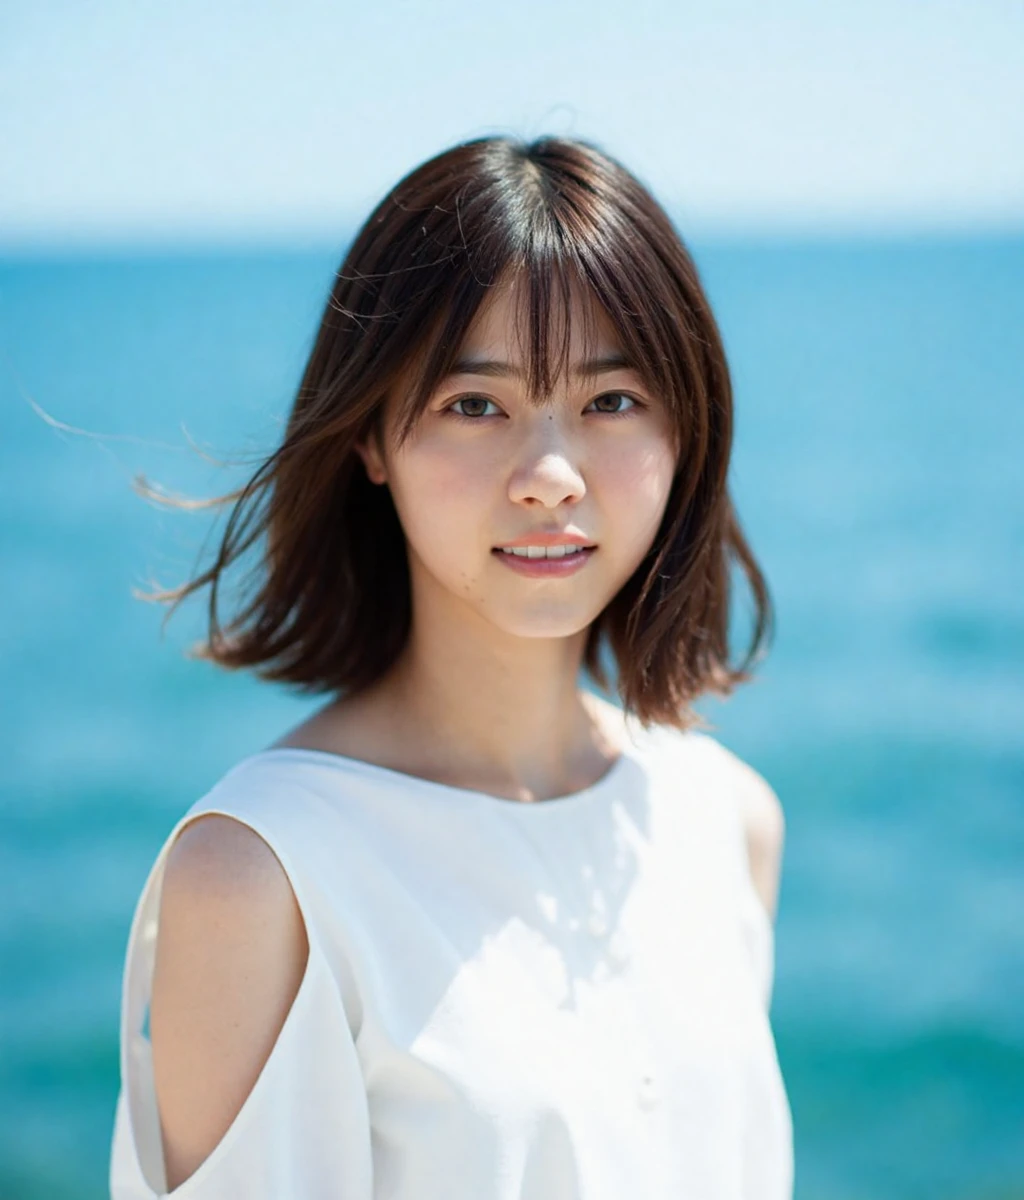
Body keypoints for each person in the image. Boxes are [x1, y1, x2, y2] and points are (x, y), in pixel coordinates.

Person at [109, 134, 794, 1199]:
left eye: (611, 401)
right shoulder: (263, 877)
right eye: (476, 405)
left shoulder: (725, 819)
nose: (550, 476)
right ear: (372, 439)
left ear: (685, 432)